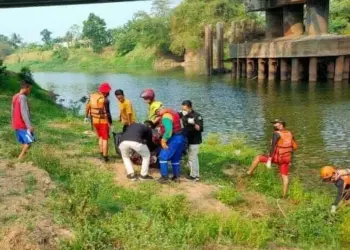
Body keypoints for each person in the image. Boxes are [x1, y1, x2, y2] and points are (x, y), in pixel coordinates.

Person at [247, 119, 297, 198]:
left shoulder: (276, 133)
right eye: (273, 123)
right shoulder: (290, 133)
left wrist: (269, 160)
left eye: (275, 123)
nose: (274, 125)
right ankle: (284, 196)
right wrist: (291, 160)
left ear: (281, 124)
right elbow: (294, 147)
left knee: (258, 157)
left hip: (278, 158)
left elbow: (273, 147)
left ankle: (249, 173)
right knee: (285, 176)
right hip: (287, 158)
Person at [85, 82, 112, 163]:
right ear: (106, 92)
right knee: (105, 139)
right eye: (108, 92)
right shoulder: (105, 100)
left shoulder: (92, 96)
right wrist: (110, 123)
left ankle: (101, 153)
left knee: (100, 137)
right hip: (103, 122)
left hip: (94, 121)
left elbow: (87, 107)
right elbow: (108, 113)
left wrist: (86, 117)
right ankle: (105, 157)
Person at [157, 108, 185, 183]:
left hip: (174, 139)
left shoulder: (165, 117)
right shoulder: (173, 114)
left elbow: (169, 131)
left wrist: (163, 140)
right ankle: (176, 177)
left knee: (163, 157)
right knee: (175, 158)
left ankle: (164, 177)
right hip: (180, 138)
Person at [12, 78, 35, 159]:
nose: (30, 91)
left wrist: (13, 123)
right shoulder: (23, 98)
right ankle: (19, 159)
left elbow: (13, 111)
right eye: (29, 89)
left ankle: (23, 157)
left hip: (16, 124)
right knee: (29, 142)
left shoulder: (15, 96)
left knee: (24, 142)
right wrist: (29, 126)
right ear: (26, 88)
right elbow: (24, 113)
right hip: (23, 125)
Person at [180, 100, 204, 181]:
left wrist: (193, 123)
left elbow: (200, 128)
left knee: (193, 158)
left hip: (195, 140)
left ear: (190, 108)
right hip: (187, 139)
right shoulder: (183, 114)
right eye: (182, 109)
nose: (184, 111)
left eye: (185, 109)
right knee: (192, 157)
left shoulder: (197, 116)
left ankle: (194, 176)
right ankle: (194, 174)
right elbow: (174, 114)